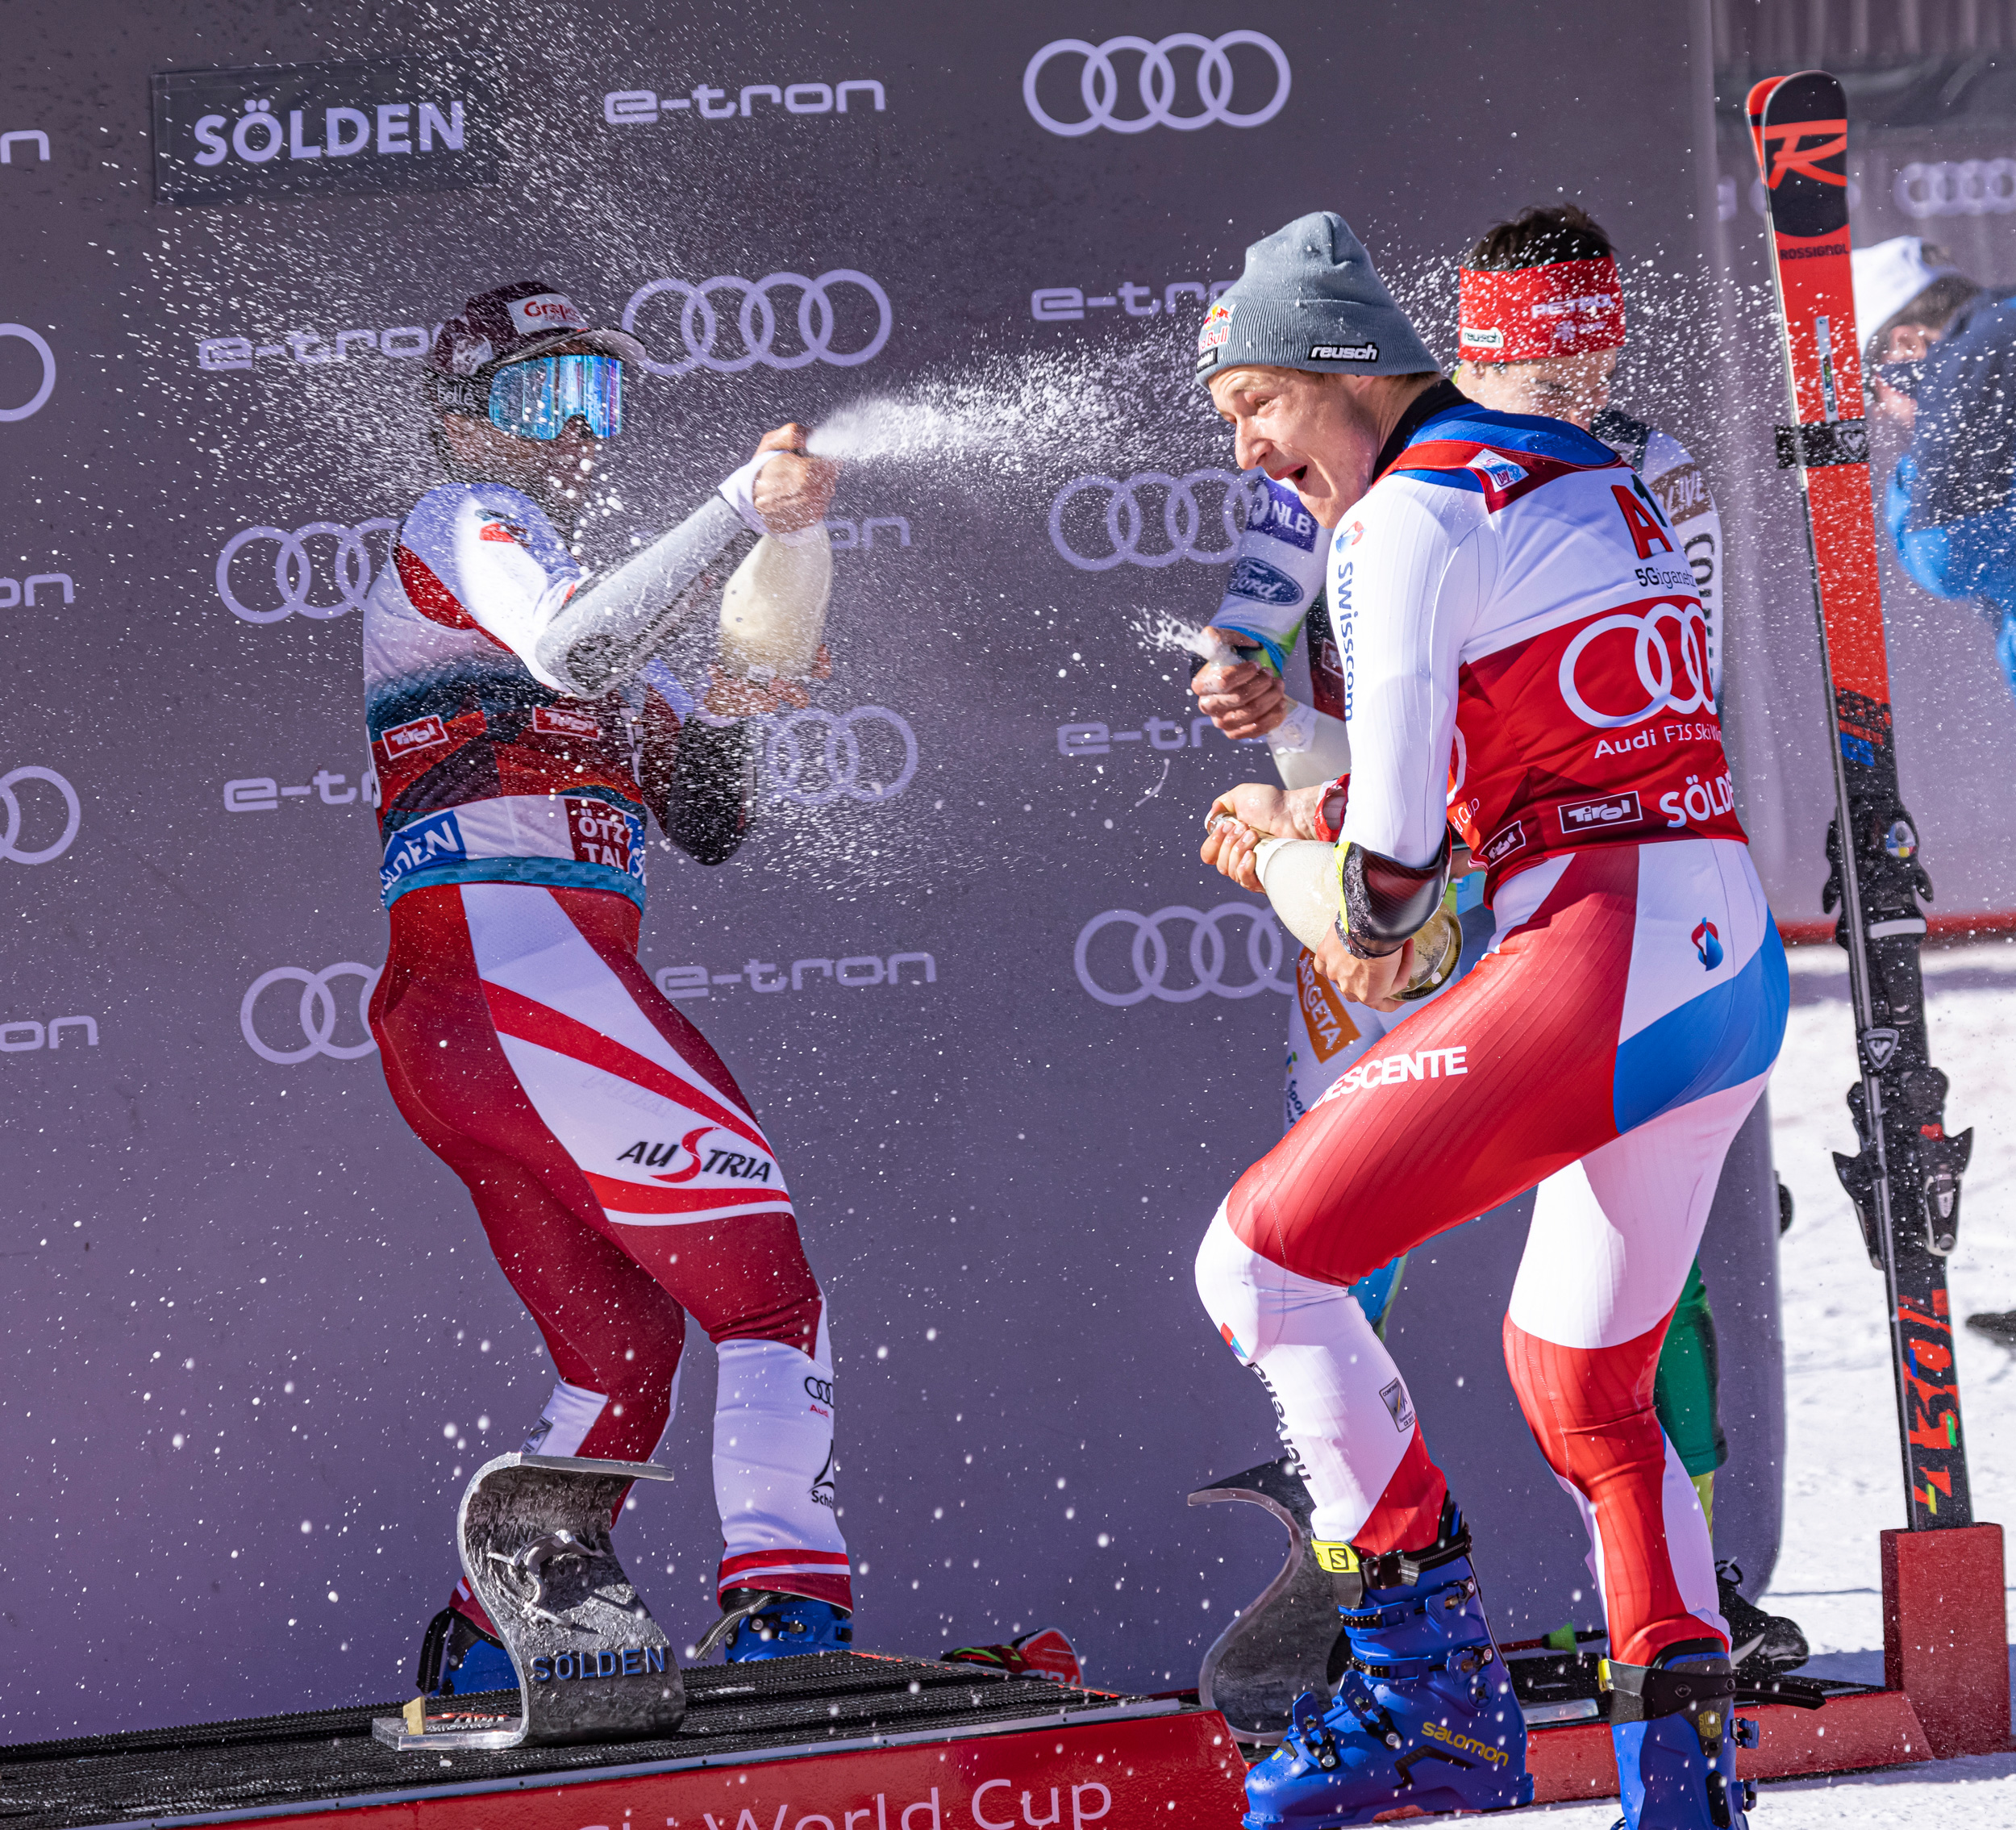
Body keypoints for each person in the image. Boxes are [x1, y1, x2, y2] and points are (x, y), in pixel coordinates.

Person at [1189, 212, 1786, 1830]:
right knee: (1581, 1385)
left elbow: (1389, 886)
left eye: (1254, 402)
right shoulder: (1585, 474)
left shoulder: (1398, 521)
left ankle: (1424, 1699)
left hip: (1605, 949)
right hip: (1720, 971)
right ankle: (1685, 1789)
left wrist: (1276, 859)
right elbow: (1505, 766)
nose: (1247, 446)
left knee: (1254, 1258)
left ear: (1338, 372)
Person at [365, 281, 856, 1694]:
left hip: (474, 1009)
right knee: (769, 1292)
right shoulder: (467, 520)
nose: (576, 429)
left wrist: (756, 683)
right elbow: (575, 646)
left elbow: (709, 816)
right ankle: (788, 1610)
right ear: (463, 420)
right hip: (519, 978)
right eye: (541, 397)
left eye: (599, 396)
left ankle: (491, 1638)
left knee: (623, 1348)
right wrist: (737, 509)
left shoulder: (571, 598)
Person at [1856, 234, 2016, 705]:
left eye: (1874, 388)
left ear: (1905, 345)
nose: (1881, 411)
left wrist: (1904, 483)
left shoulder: (1976, 354)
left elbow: (1944, 555)